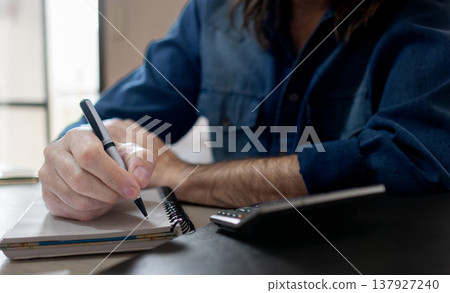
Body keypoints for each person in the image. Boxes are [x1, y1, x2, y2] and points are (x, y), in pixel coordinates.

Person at [39, 0, 450, 221]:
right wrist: (76, 159)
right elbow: (113, 120)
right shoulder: (213, 11)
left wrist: (185, 178)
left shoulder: (426, 13)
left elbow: (409, 159)